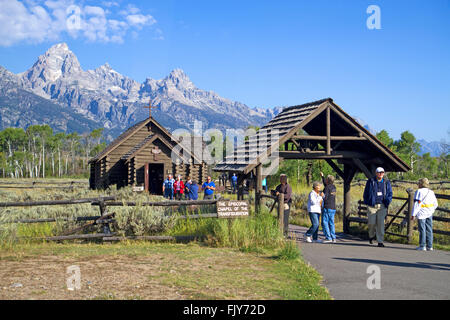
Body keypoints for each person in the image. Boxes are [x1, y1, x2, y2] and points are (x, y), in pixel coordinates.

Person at [363, 167, 393, 247]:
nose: (381, 174)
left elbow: (390, 193)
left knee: (380, 224)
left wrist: (387, 201)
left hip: (382, 206)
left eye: (382, 172)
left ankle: (380, 241)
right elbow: (366, 192)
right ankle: (371, 235)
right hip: (372, 205)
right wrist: (367, 202)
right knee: (371, 223)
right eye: (379, 172)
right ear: (376, 173)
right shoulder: (371, 181)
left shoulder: (386, 182)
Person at [411, 178, 438, 251]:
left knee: (422, 229)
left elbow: (417, 204)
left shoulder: (419, 191)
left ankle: (422, 245)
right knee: (429, 229)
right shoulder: (431, 192)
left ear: (421, 184)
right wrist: (431, 210)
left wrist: (413, 214)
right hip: (429, 212)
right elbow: (435, 204)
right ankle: (430, 246)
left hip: (421, 213)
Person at [320, 172, 337, 243]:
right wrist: (323, 177)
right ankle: (333, 238)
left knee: (325, 222)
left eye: (326, 179)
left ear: (328, 181)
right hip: (333, 207)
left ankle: (328, 237)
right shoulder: (333, 187)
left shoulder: (327, 188)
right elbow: (326, 185)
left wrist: (321, 194)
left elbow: (325, 197)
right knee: (331, 223)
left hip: (327, 207)